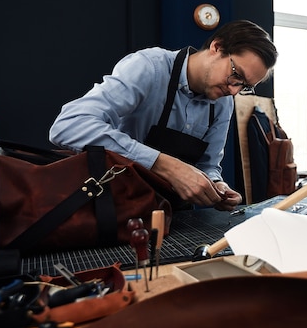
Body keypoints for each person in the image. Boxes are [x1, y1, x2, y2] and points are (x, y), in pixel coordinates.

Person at [50, 20, 278, 211]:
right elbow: (68, 125)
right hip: (114, 209)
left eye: (245, 86)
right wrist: (165, 165)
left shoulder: (223, 102)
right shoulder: (149, 67)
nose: (234, 90)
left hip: (175, 216)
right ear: (217, 47)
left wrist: (216, 185)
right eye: (235, 75)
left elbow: (208, 164)